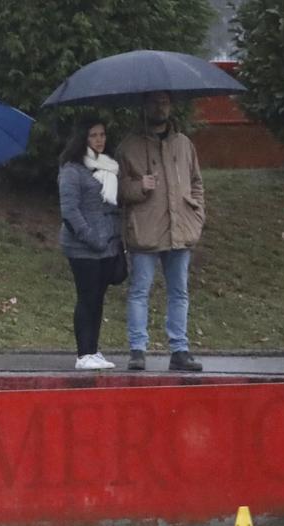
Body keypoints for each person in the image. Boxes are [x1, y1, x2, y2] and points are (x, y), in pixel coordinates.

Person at [116, 91, 205, 372]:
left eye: (165, 102)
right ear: (145, 106)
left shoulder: (184, 144)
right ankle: (137, 350)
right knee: (139, 291)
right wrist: (139, 186)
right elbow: (115, 190)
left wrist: (197, 215)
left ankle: (180, 349)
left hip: (181, 230)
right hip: (145, 230)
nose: (161, 107)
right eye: (155, 102)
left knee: (179, 292)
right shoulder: (128, 147)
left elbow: (197, 183)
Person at [57, 118, 124, 371]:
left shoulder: (108, 167)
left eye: (102, 134)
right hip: (83, 247)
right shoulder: (72, 170)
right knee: (86, 297)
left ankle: (93, 349)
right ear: (82, 140)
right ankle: (83, 353)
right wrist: (91, 237)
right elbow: (70, 211)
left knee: (98, 298)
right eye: (93, 135)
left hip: (108, 245)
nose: (99, 140)